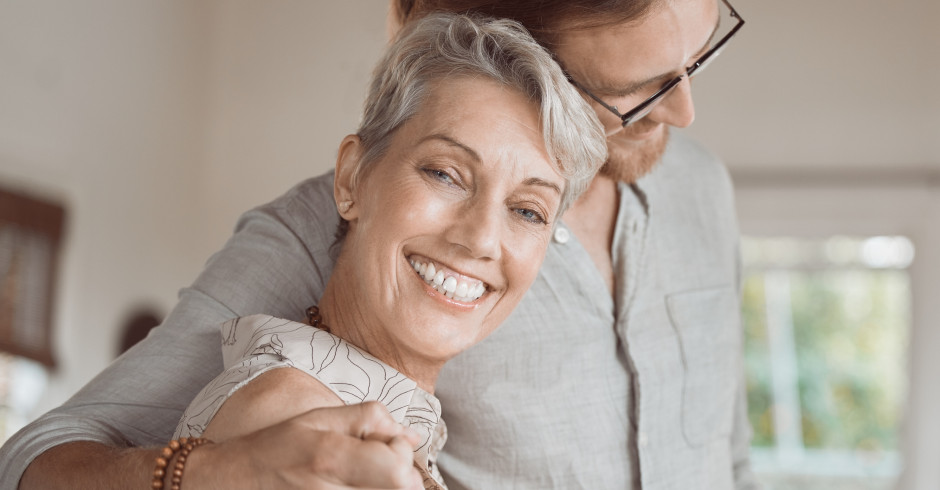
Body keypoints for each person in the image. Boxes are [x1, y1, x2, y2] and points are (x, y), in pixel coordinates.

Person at [1, 0, 759, 488]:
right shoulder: (329, 235)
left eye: (697, 59)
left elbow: (730, 458)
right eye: (639, 90)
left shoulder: (702, 189)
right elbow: (39, 456)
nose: (685, 112)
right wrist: (207, 473)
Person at [160, 13, 605, 490]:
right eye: (445, 174)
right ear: (352, 178)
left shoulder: (357, 409)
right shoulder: (304, 426)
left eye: (527, 211)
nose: (480, 239)